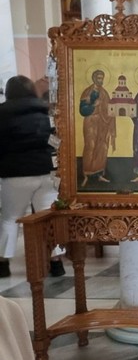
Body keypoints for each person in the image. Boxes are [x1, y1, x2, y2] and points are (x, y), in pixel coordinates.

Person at [0, 76, 65, 278]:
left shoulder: (3, 114)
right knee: (47, 218)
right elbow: (55, 140)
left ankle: (3, 264)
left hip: (15, 174)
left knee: (10, 218)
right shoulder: (46, 112)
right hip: (46, 172)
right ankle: (56, 263)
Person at [78, 69, 116, 187]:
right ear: (94, 78)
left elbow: (110, 110)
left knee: (102, 147)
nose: (100, 80)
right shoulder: (87, 92)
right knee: (91, 146)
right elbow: (82, 110)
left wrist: (111, 122)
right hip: (91, 122)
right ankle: (86, 174)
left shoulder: (104, 93)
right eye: (99, 78)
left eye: (102, 78)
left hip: (103, 123)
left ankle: (99, 174)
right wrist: (94, 105)